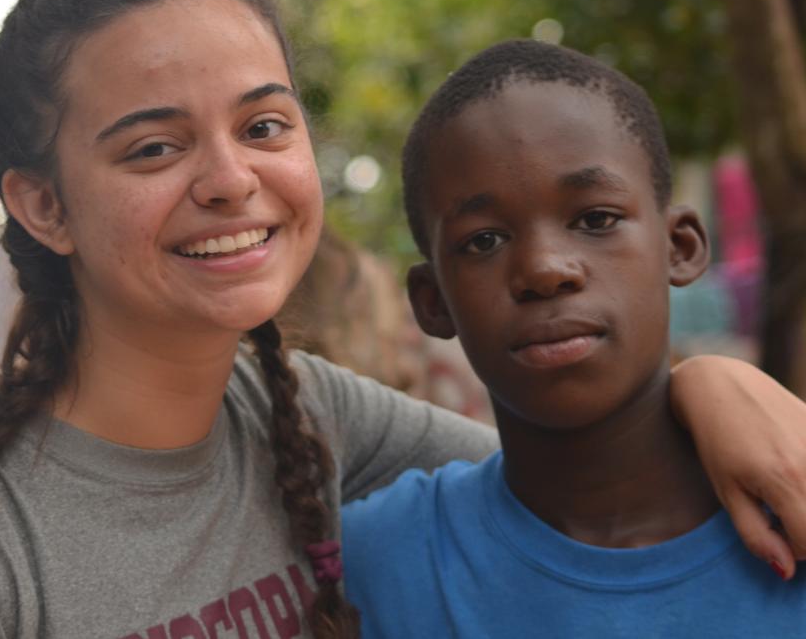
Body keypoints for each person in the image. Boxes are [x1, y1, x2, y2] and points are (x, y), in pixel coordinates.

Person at [0, 0, 806, 639]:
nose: (229, 180)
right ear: (41, 205)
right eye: (154, 146)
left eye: (264, 126)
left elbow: (585, 451)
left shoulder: (313, 419)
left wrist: (716, 387)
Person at [341, 39, 806, 637]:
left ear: (680, 247)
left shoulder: (794, 510)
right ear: (433, 303)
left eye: (596, 220)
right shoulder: (378, 562)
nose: (544, 269)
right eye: (484, 240)